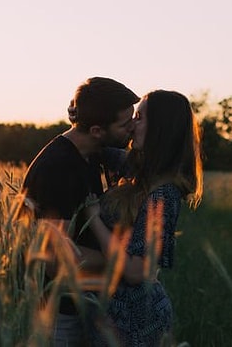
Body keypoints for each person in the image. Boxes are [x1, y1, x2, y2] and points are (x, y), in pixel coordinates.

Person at [20, 77, 140, 346]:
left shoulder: (93, 151)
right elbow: (52, 255)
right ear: (97, 130)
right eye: (125, 123)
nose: (132, 127)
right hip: (59, 313)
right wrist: (121, 263)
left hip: (87, 304)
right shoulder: (58, 168)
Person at [85, 90, 204, 346]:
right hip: (112, 315)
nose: (132, 123)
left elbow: (136, 271)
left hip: (137, 321)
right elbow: (96, 143)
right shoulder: (138, 170)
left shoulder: (164, 193)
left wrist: (93, 218)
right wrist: (83, 115)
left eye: (139, 117)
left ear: (159, 129)